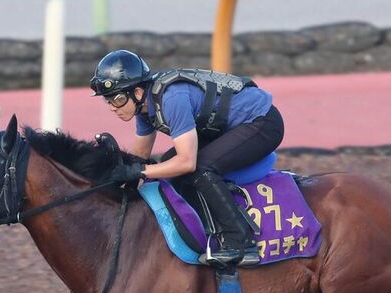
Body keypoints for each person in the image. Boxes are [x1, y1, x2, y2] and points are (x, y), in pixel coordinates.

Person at [90, 49, 285, 267]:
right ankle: (202, 231)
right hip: (232, 126)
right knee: (167, 161)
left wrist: (140, 171)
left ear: (136, 93)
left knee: (200, 168)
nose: (112, 108)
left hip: (262, 122)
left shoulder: (172, 99)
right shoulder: (144, 108)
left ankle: (241, 243)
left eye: (116, 99)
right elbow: (139, 157)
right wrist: (114, 178)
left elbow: (186, 162)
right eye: (107, 101)